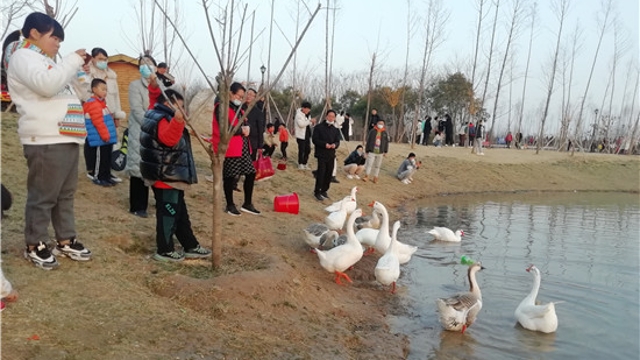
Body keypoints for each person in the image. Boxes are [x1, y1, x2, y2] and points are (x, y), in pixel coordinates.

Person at [5, 12, 92, 269]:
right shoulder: (23, 56)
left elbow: (82, 94)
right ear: (34, 33)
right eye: (54, 37)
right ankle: (35, 243)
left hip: (66, 135)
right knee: (43, 195)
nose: (58, 44)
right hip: (44, 137)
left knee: (65, 194)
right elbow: (46, 86)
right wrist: (72, 59)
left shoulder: (50, 61)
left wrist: (79, 71)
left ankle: (65, 238)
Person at [139, 89, 211, 262]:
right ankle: (164, 249)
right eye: (180, 105)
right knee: (168, 213)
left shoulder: (155, 112)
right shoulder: (163, 118)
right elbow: (169, 139)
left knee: (180, 213)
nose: (183, 109)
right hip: (167, 175)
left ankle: (190, 245)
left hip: (168, 173)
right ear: (168, 104)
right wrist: (179, 120)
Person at [211, 82, 261, 216]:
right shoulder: (221, 107)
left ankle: (247, 203)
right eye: (239, 96)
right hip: (229, 146)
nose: (241, 99)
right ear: (231, 94)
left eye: (242, 97)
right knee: (230, 175)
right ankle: (230, 204)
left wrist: (247, 128)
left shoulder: (238, 108)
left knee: (250, 173)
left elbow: (244, 122)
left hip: (242, 145)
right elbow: (225, 128)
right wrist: (241, 130)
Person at [79, 47, 125, 183]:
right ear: (93, 59)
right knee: (93, 142)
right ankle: (92, 170)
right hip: (93, 112)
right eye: (100, 59)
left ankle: (106, 171)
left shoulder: (111, 76)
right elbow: (82, 92)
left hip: (108, 112)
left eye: (105, 59)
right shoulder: (86, 72)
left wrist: (117, 114)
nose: (103, 62)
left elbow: (115, 97)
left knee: (108, 144)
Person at [126, 54, 157, 218]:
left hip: (158, 132)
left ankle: (150, 203)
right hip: (141, 129)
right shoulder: (135, 86)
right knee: (138, 166)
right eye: (143, 64)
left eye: (149, 63)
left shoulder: (160, 87)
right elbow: (137, 110)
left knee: (151, 167)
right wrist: (152, 124)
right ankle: (137, 206)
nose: (146, 66)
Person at [83, 78, 118, 186]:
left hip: (106, 138)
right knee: (99, 159)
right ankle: (98, 176)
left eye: (106, 89)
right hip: (100, 138)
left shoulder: (103, 104)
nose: (105, 92)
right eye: (102, 89)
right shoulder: (93, 104)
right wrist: (105, 135)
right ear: (94, 89)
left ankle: (106, 176)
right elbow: (98, 122)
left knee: (106, 158)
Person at [311, 110, 341, 201]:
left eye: (333, 117)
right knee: (321, 172)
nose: (331, 118)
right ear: (326, 116)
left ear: (334, 118)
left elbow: (337, 141)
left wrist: (334, 145)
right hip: (321, 154)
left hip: (331, 154)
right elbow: (315, 140)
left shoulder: (335, 130)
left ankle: (324, 190)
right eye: (329, 116)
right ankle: (317, 191)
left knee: (329, 173)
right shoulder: (319, 127)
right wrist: (325, 145)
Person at [362, 118, 389, 184]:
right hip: (372, 151)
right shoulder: (372, 131)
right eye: (380, 123)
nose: (381, 125)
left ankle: (375, 177)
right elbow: (368, 141)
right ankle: (367, 176)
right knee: (369, 164)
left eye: (382, 124)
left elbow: (386, 142)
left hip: (380, 152)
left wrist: (385, 151)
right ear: (377, 124)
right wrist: (367, 150)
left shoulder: (384, 132)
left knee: (377, 166)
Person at [244, 88, 265, 161]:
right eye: (247, 93)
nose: (248, 96)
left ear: (255, 98)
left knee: (250, 163)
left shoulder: (258, 112)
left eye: (250, 95)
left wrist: (260, 146)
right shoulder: (239, 108)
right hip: (240, 141)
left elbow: (260, 129)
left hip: (252, 142)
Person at [295, 101, 315, 169]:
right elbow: (301, 125)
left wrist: (312, 123)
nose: (308, 110)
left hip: (307, 134)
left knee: (308, 150)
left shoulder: (308, 115)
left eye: (309, 109)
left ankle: (305, 163)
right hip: (300, 135)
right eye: (306, 109)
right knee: (301, 150)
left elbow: (309, 124)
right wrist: (309, 121)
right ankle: (300, 163)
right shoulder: (298, 115)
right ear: (303, 108)